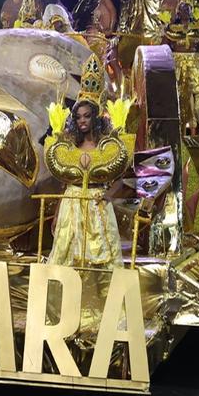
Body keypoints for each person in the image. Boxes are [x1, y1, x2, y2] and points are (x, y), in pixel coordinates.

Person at [43, 52, 128, 267]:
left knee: (102, 259)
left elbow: (124, 174)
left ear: (95, 117)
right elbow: (65, 181)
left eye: (86, 116)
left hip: (97, 206)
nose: (82, 121)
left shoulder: (107, 146)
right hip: (71, 206)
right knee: (66, 257)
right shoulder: (70, 145)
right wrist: (56, 212)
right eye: (78, 116)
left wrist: (109, 195)